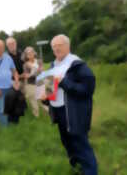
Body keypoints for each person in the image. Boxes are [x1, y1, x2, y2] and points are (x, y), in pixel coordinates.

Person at [41, 34, 98, 175]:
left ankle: (90, 171)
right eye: (54, 46)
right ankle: (77, 167)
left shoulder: (77, 65)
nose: (56, 49)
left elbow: (87, 90)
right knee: (67, 141)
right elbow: (50, 87)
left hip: (74, 111)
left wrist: (64, 82)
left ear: (68, 46)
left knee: (80, 142)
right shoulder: (53, 64)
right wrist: (46, 97)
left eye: (59, 45)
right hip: (59, 111)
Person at [22, 46, 48, 117]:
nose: (30, 54)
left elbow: (42, 72)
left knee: (43, 100)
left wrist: (33, 73)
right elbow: (27, 76)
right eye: (28, 53)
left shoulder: (39, 61)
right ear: (26, 55)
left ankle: (48, 114)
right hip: (31, 84)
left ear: (34, 53)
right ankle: (36, 116)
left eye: (31, 52)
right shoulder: (25, 65)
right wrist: (36, 72)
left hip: (40, 83)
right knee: (33, 102)